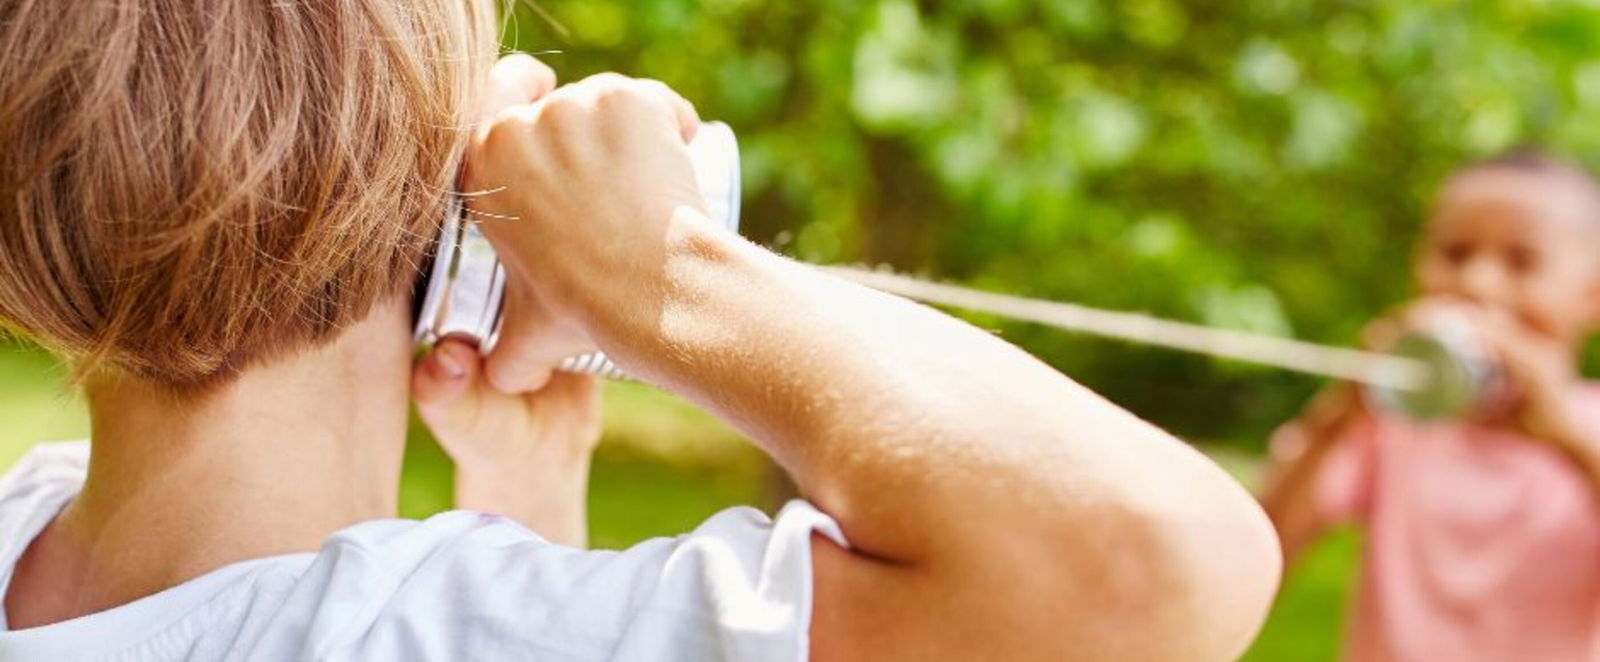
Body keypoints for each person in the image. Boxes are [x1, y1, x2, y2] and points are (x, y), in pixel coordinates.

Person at [0, 1, 1280, 660]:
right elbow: (1154, 557)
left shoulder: (29, 530)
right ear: (436, 166)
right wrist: (664, 275)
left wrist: (522, 495)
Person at [1260, 153, 1600, 661]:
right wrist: (1338, 415)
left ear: (1592, 296)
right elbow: (1259, 560)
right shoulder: (1388, 425)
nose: (1477, 283)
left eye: (1521, 261)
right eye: (1455, 253)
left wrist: (1566, 439)